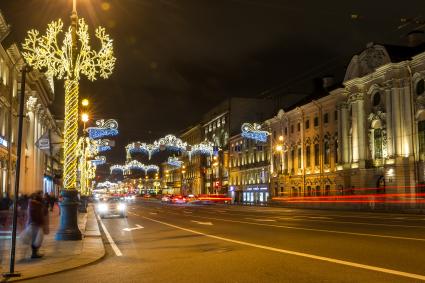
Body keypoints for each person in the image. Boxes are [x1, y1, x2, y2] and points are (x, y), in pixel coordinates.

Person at [26, 192, 45, 259]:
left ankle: (35, 253)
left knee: (35, 239)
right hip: (35, 224)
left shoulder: (32, 204)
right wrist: (39, 222)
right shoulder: (36, 205)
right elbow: (36, 214)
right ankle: (34, 253)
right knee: (36, 239)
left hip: (33, 223)